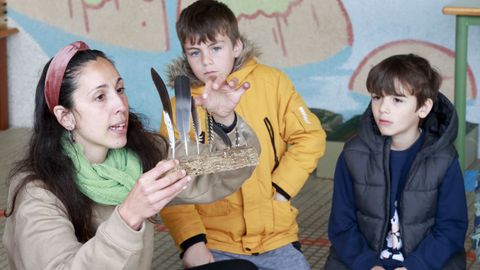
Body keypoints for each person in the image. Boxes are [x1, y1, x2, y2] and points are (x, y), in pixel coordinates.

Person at [2, 41, 260, 270]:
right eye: (100, 96)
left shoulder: (141, 154)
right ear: (65, 116)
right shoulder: (37, 191)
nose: (120, 106)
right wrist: (128, 216)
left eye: (120, 90)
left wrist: (226, 119)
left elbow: (230, 169)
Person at [159, 1, 326, 269]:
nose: (206, 61)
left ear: (236, 46)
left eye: (216, 48)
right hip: (214, 243)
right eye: (195, 52)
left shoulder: (273, 82)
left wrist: (281, 188)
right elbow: (171, 180)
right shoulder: (180, 105)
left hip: (276, 237)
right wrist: (191, 242)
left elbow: (310, 136)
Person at [325, 54, 468, 270]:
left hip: (425, 264)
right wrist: (367, 264)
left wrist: (416, 266)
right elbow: (341, 225)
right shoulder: (353, 154)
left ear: (424, 108)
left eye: (397, 100)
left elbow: (451, 228)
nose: (383, 108)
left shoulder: (444, 159)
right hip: (364, 263)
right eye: (376, 97)